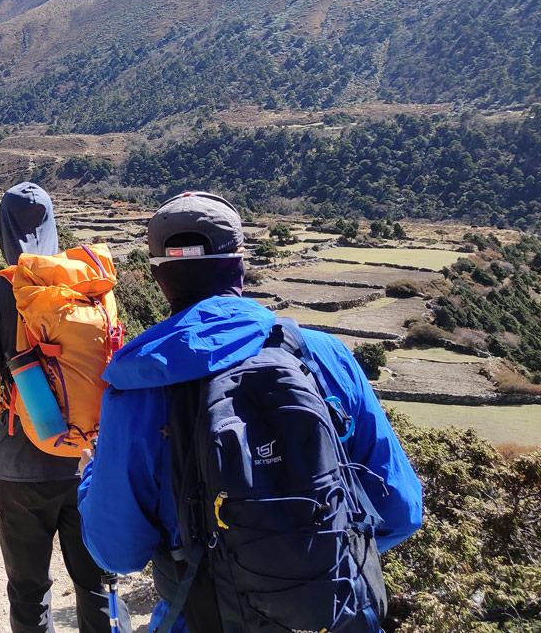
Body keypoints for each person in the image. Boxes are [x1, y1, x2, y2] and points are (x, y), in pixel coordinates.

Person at [77, 191, 423, 633]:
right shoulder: (324, 356)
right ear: (240, 262)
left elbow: (116, 551)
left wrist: (90, 479)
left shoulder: (138, 385)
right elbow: (402, 511)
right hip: (339, 615)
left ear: (158, 277)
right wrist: (305, 562)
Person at [0, 182, 129, 633]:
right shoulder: (92, 287)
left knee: (29, 590)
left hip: (22, 468)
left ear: (1, 230)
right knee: (97, 586)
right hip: (90, 461)